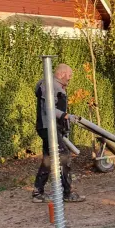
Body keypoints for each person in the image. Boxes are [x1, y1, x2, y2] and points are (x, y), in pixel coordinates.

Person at [32, 63, 85, 203]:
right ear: (61, 74)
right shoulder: (49, 85)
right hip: (48, 127)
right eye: (69, 74)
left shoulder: (56, 86)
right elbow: (49, 109)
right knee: (64, 155)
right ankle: (67, 193)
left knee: (49, 158)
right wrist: (66, 116)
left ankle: (38, 192)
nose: (70, 78)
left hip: (49, 127)